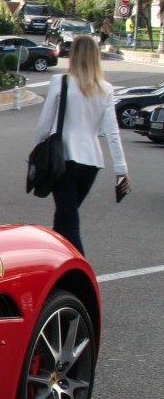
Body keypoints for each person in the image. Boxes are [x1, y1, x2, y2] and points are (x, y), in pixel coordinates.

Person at [32, 33, 129, 254]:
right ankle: (58, 268)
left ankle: (81, 273)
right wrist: (121, 170)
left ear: (74, 55)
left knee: (68, 221)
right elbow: (112, 132)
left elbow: (44, 125)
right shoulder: (105, 88)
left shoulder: (61, 82)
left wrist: (36, 153)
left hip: (64, 158)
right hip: (92, 162)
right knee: (65, 217)